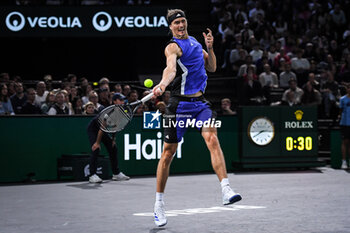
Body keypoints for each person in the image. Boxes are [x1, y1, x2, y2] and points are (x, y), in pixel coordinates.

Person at [151, 9, 241, 227]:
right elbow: (170, 69)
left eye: (183, 21)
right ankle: (159, 203)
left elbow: (211, 67)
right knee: (168, 153)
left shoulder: (194, 42)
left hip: (200, 104)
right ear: (170, 27)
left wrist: (209, 47)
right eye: (177, 23)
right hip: (179, 105)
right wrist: (163, 84)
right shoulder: (172, 47)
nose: (181, 25)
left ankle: (226, 189)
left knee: (212, 139)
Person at [87, 93, 130, 183]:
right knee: (96, 149)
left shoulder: (121, 112)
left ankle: (116, 174)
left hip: (103, 130)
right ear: (114, 101)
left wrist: (113, 139)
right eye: (120, 100)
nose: (123, 102)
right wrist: (97, 143)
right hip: (94, 129)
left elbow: (116, 127)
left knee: (113, 148)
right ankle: (92, 175)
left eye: (123, 100)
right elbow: (102, 128)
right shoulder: (110, 111)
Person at [339, 84, 350, 169]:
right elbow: (341, 111)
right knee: (344, 142)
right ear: (347, 89)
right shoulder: (342, 99)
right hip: (345, 123)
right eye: (349, 88)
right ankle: (344, 161)